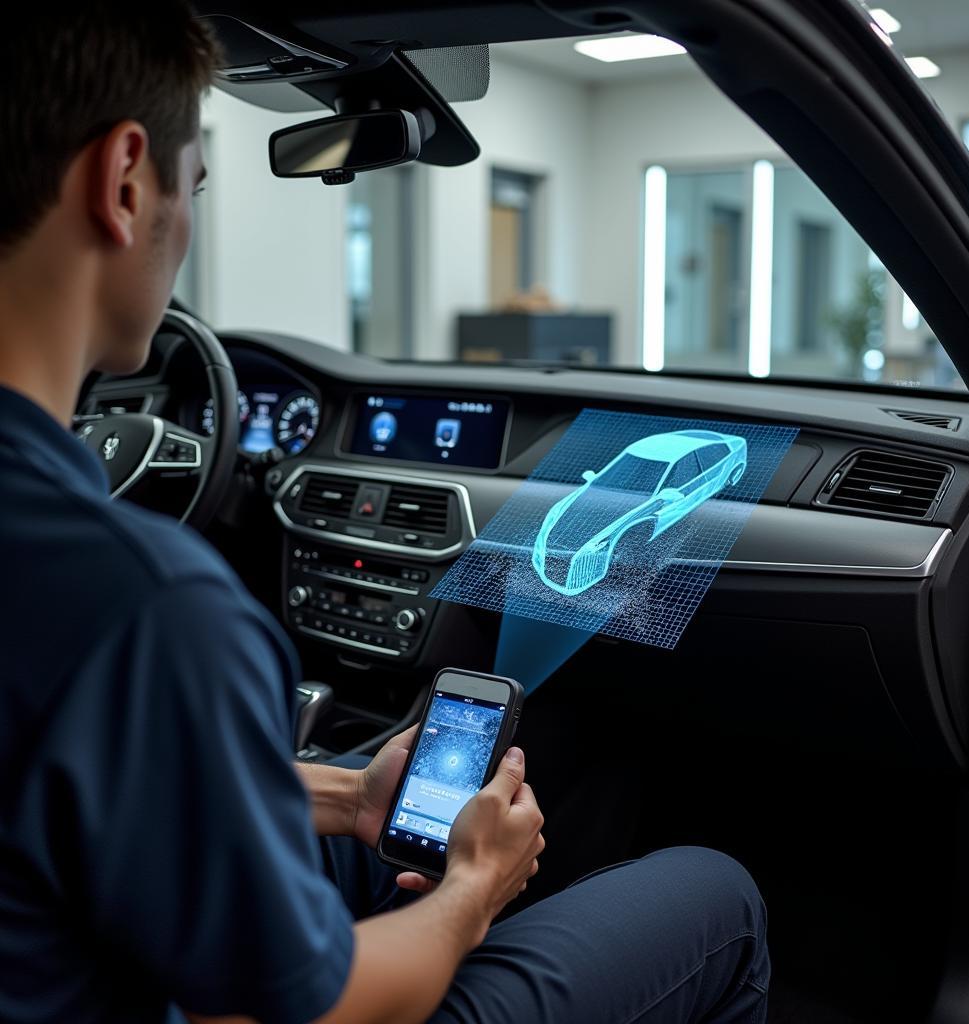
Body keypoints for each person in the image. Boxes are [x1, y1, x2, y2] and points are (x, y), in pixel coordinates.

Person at [0, 4, 770, 1022]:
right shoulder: (149, 609)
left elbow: (80, 782)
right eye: (194, 189)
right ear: (126, 180)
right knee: (719, 896)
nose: (184, 224)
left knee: (382, 805)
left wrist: (345, 798)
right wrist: (470, 889)